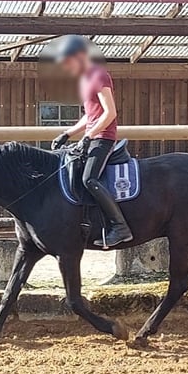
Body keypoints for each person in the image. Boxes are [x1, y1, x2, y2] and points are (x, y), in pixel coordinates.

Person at [50, 35, 133, 247]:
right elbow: (90, 115)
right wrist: (68, 134)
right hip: (91, 136)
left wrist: (88, 136)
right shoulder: (85, 80)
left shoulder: (99, 75)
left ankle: (120, 227)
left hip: (103, 138)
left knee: (89, 179)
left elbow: (110, 113)